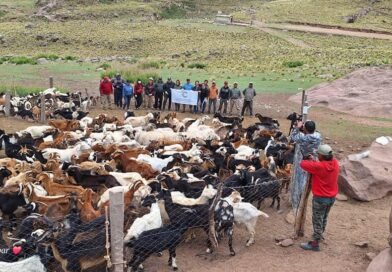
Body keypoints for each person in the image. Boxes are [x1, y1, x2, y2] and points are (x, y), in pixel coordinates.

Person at [299, 144, 339, 251]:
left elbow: (303, 164)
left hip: (320, 198)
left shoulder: (319, 167)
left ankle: (315, 244)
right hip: (331, 197)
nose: (317, 155)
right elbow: (320, 165)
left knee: (317, 220)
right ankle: (320, 235)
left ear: (322, 156)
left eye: (318, 154)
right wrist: (314, 160)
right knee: (324, 217)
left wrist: (307, 159)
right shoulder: (335, 163)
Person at [290, 120, 322, 212]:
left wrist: (297, 128)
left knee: (299, 182)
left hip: (303, 162)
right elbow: (314, 132)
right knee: (308, 181)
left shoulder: (302, 138)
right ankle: (304, 199)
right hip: (314, 161)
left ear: (305, 129)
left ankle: (297, 204)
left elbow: (292, 138)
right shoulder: (318, 136)